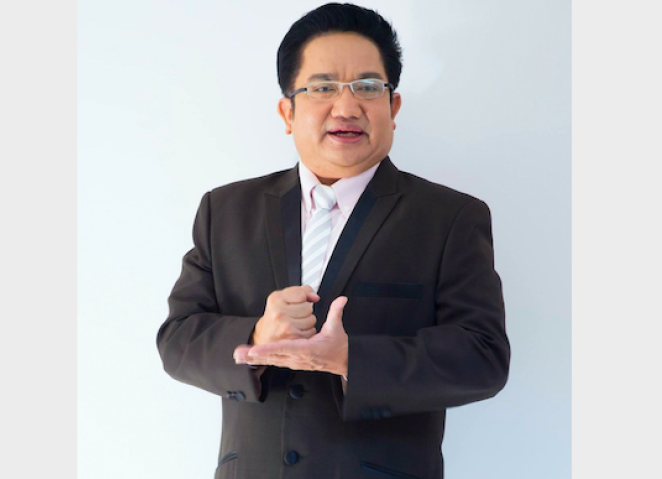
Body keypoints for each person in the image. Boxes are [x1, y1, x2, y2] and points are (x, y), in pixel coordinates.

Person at [156, 3, 510, 478]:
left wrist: (352, 360)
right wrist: (256, 336)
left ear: (393, 107)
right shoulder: (225, 210)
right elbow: (178, 339)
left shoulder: (450, 217)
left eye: (367, 87)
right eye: (323, 87)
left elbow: (483, 357)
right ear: (288, 111)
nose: (346, 107)